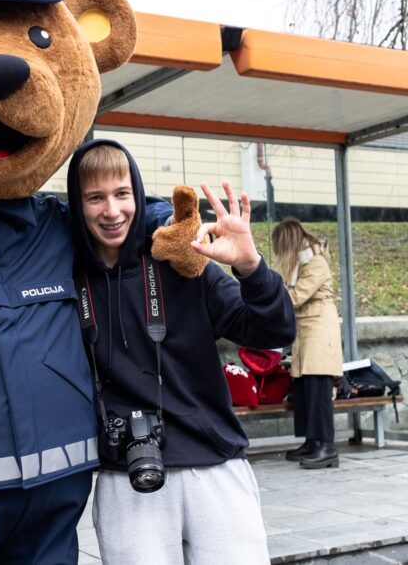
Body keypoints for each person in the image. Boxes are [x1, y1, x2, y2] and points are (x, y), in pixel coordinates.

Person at [66, 138, 296, 565]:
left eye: (122, 193)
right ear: (77, 206)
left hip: (214, 466)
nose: (112, 211)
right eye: (95, 198)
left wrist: (250, 267)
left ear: (137, 193)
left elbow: (274, 330)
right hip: (127, 476)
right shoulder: (65, 277)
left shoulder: (181, 262)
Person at [272, 218, 343, 469]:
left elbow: (297, 296)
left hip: (319, 329)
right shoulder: (303, 261)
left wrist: (270, 301)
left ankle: (327, 446)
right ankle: (312, 441)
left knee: (318, 389)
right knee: (303, 388)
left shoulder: (316, 262)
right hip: (306, 329)